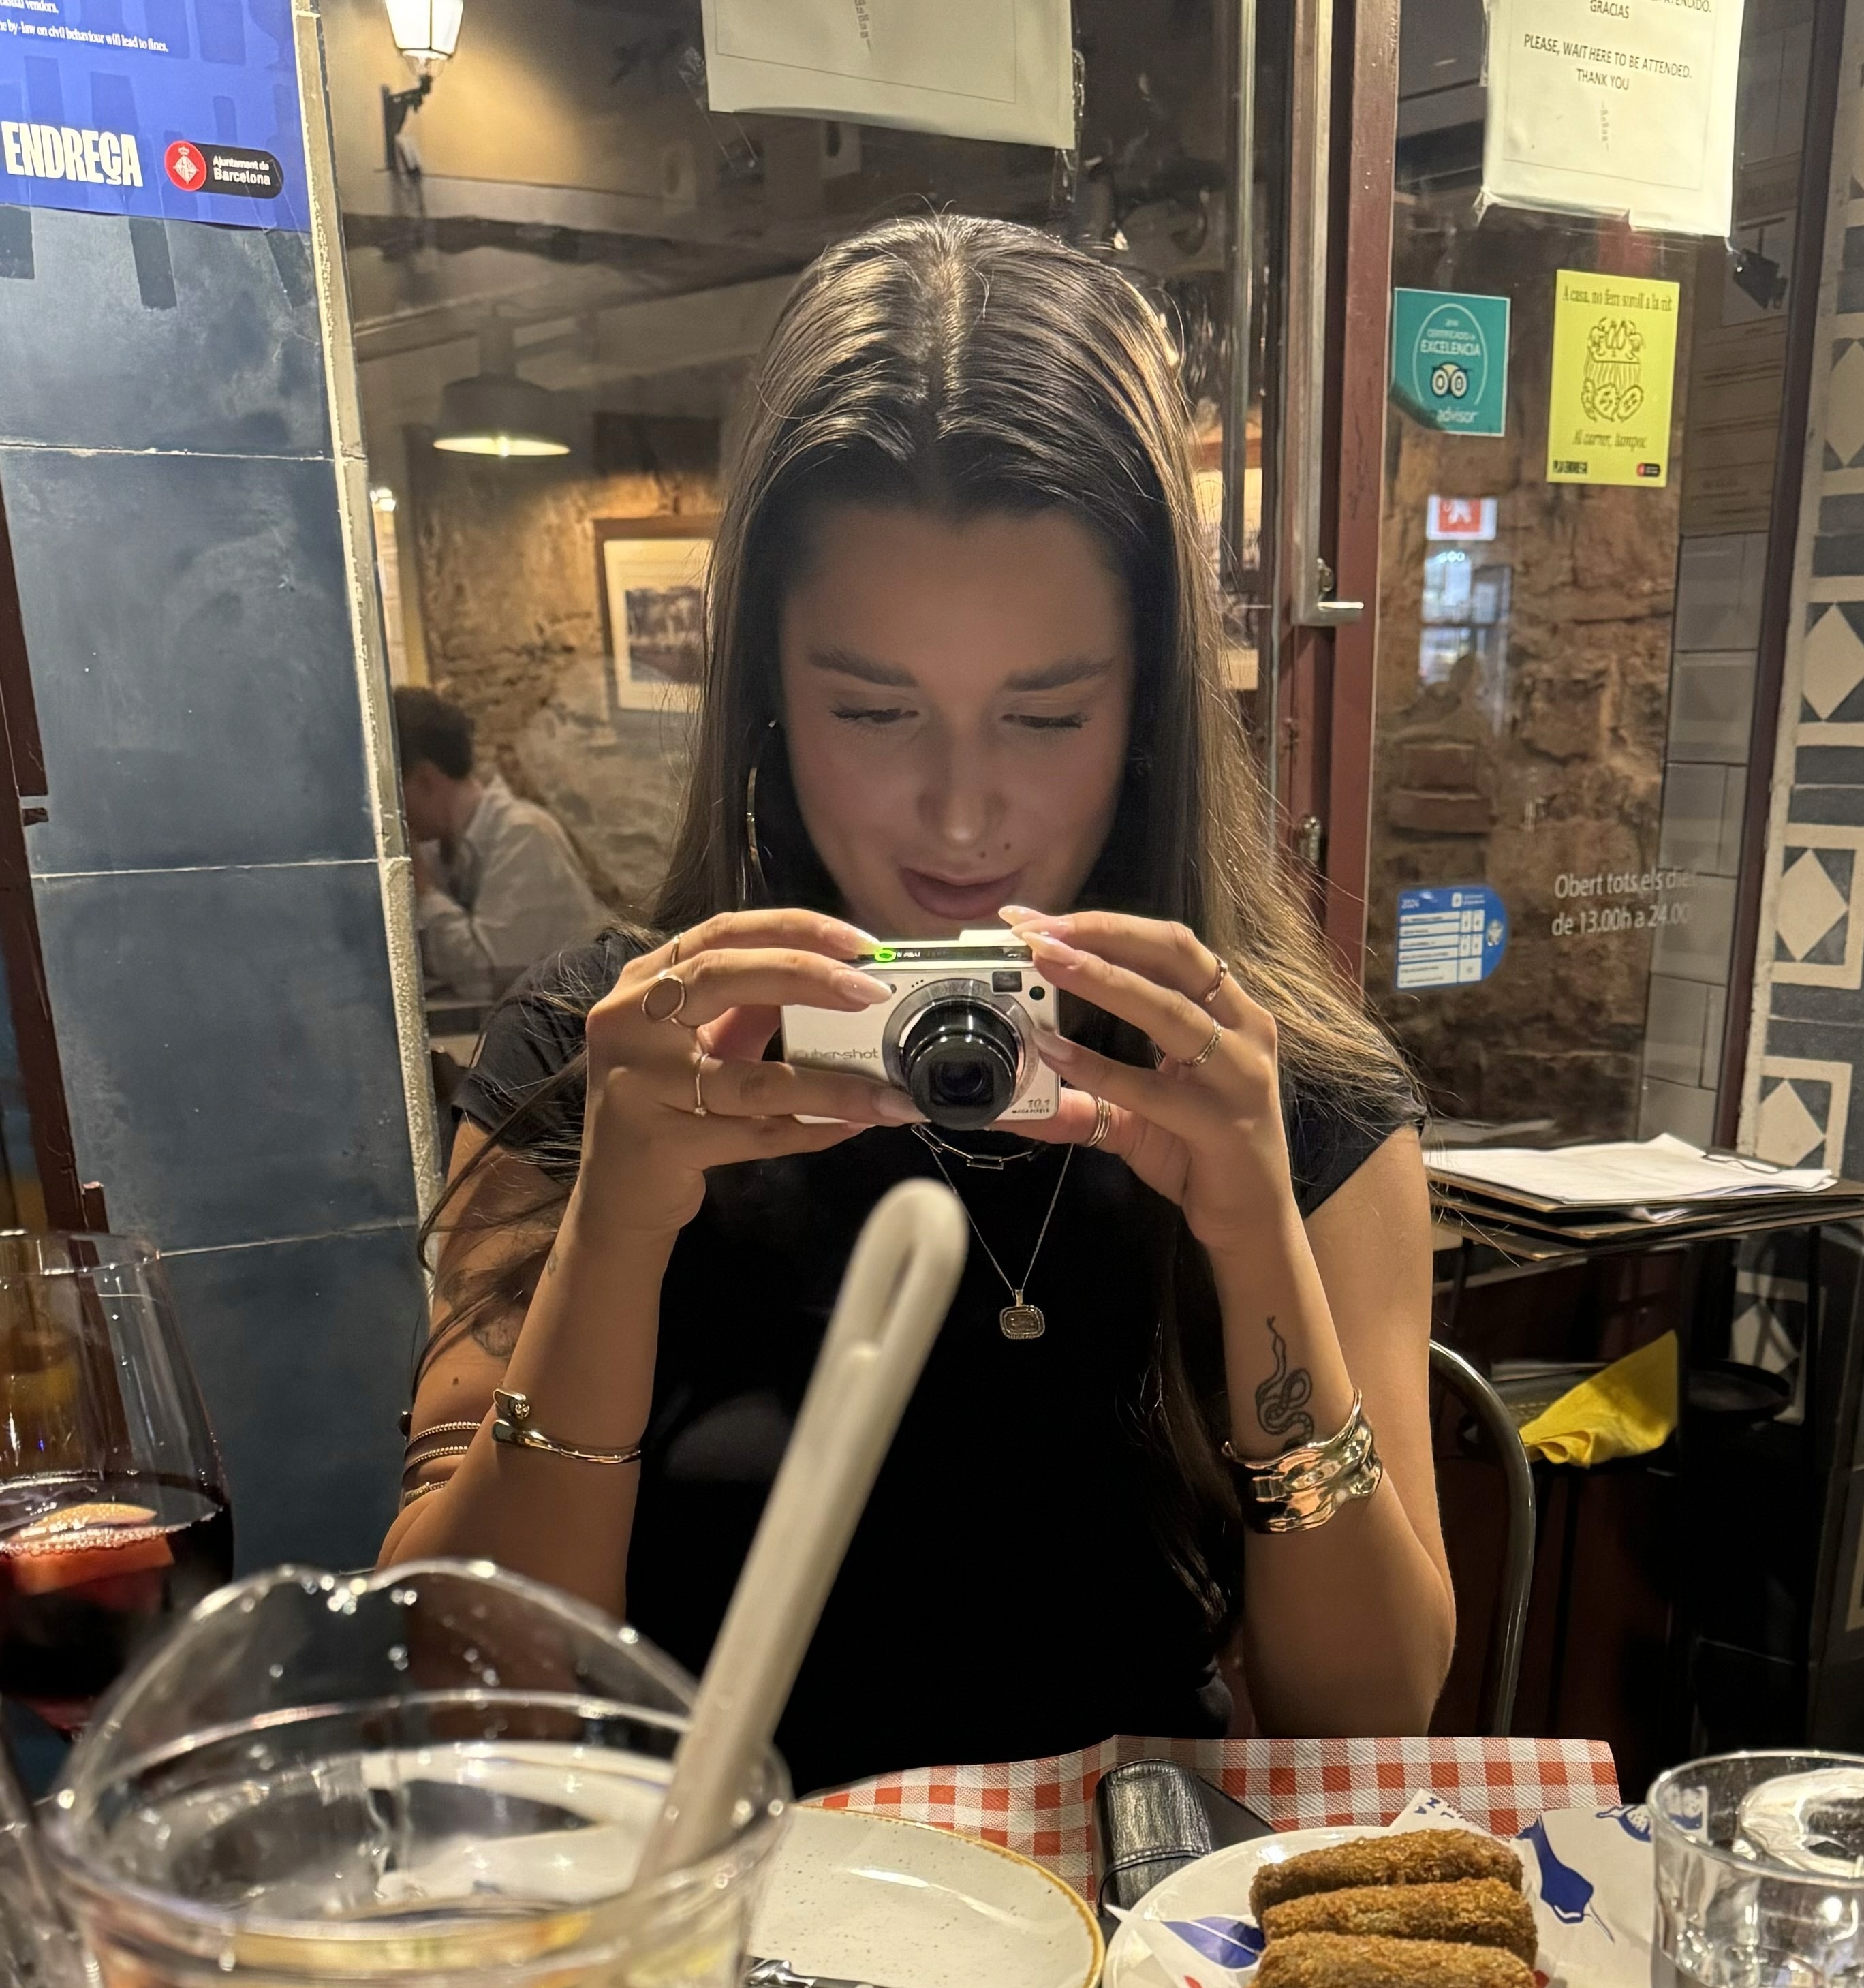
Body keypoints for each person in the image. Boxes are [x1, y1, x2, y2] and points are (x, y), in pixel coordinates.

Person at [382, 217, 1454, 1792]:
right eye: (875, 709)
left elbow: (1367, 1722)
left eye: (1045, 713)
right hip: (709, 1964)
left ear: (1149, 705)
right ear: (763, 691)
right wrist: (616, 1236)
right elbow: (476, 1701)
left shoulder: (1287, 1100)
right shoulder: (596, 1063)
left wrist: (1255, 1236)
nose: (964, 815)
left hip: (1125, 1973)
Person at [394, 686, 607, 1005]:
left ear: (426, 779)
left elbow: (486, 978)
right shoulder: (442, 848)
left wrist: (423, 890)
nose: (396, 809)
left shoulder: (523, 836)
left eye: (396, 791)